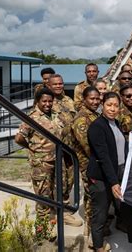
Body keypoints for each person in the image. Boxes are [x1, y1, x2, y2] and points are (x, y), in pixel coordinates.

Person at [87, 92, 132, 252]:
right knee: (100, 214)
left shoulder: (117, 124)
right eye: (109, 105)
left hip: (120, 172)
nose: (112, 109)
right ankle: (98, 247)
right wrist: (113, 182)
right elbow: (103, 157)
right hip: (101, 178)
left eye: (116, 105)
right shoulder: (97, 127)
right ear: (102, 105)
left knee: (130, 210)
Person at [15, 88, 64, 231]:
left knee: (53, 192)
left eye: (50, 101)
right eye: (44, 101)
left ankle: (51, 223)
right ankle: (42, 231)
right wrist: (32, 148)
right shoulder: (32, 117)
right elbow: (19, 138)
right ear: (37, 101)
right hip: (41, 163)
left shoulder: (54, 115)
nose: (48, 104)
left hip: (55, 160)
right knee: (43, 196)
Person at [62, 87, 101, 238]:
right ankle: (91, 232)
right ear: (84, 100)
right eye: (92, 99)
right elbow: (87, 146)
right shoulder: (81, 119)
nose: (95, 101)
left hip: (96, 161)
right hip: (89, 163)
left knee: (96, 195)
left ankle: (95, 228)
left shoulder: (95, 115)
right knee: (93, 196)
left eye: (97, 98)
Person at [47, 74, 82, 227]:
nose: (59, 86)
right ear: (49, 85)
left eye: (61, 83)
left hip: (70, 148)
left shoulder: (68, 101)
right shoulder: (46, 101)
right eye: (55, 84)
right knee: (55, 181)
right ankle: (58, 212)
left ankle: (63, 206)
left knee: (70, 179)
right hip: (53, 149)